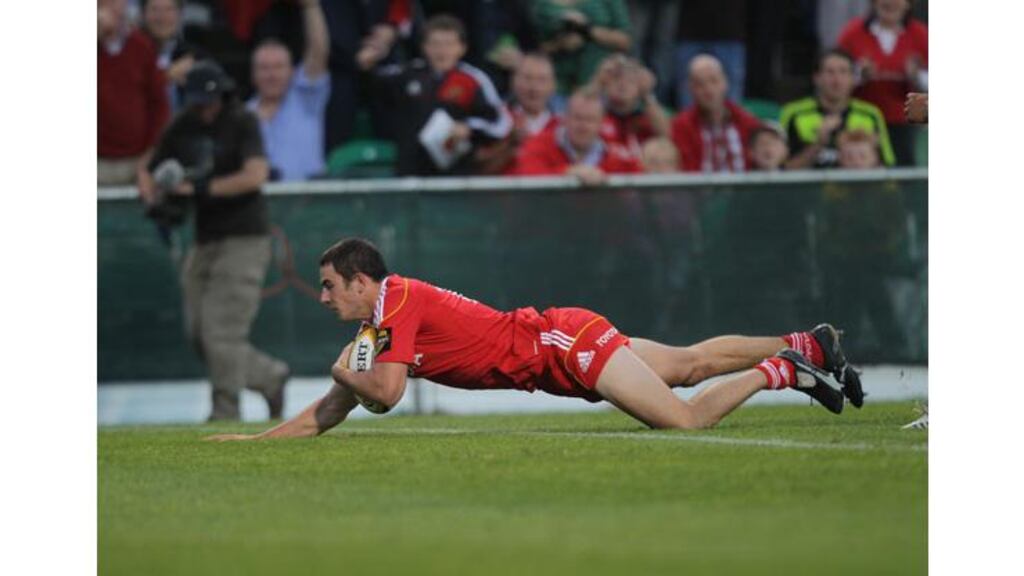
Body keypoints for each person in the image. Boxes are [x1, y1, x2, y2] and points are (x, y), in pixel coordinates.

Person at [207, 238, 865, 441]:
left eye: (328, 286)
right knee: (690, 365)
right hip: (560, 339)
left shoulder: (393, 303)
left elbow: (381, 394)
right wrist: (254, 444)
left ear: (358, 281)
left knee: (685, 422)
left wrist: (345, 371)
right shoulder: (379, 320)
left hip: (562, 344)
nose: (322, 297)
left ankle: (788, 371)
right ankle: (807, 341)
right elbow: (331, 410)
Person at [142, 61, 290, 421]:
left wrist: (199, 189)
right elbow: (150, 164)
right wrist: (155, 193)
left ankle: (225, 412)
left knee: (221, 331)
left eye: (208, 101)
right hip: (204, 238)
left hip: (245, 237)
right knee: (198, 333)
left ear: (223, 95)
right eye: (197, 102)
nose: (204, 109)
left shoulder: (242, 121)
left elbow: (255, 175)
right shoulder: (184, 124)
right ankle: (269, 376)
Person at [357, 14, 512, 176]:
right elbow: (374, 85)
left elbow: (500, 124)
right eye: (435, 44)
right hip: (410, 173)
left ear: (462, 48)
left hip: (457, 174)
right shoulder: (408, 73)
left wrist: (468, 128)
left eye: (449, 44)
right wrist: (366, 67)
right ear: (424, 47)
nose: (442, 51)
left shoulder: (472, 80)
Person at [247, 0, 331, 181]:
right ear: (253, 75)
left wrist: (311, 6)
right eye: (264, 68)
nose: (271, 75)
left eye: (278, 67)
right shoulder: (244, 115)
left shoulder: (306, 100)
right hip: (259, 203)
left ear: (292, 72)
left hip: (309, 200)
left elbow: (318, 52)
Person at [837, 0, 927, 166]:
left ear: (908, 4)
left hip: (908, 122)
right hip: (863, 118)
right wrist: (859, 75)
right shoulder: (853, 32)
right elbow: (836, 72)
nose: (890, 3)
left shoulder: (921, 34)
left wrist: (916, 76)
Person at [780, 49, 894, 170]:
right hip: (808, 189)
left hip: (856, 188)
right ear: (816, 78)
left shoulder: (870, 114)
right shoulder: (793, 113)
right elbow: (782, 170)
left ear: (853, 78)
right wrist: (819, 144)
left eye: (843, 72)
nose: (837, 80)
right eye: (830, 72)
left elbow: (887, 166)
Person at [98, 0, 170, 186]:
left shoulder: (141, 46)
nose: (110, 7)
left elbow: (159, 105)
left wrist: (149, 157)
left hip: (136, 162)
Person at [512, 89, 641, 185]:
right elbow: (527, 174)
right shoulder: (538, 144)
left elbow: (638, 178)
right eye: (577, 118)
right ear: (565, 118)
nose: (583, 125)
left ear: (602, 122)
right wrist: (569, 172)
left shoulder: (615, 152)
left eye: (590, 119)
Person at [669, 54, 760, 173]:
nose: (708, 89)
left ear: (725, 83)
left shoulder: (748, 123)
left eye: (714, 81)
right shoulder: (680, 126)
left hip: (744, 191)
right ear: (690, 89)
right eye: (700, 84)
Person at [475, 53, 560, 175]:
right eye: (527, 78)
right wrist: (508, 145)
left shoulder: (563, 127)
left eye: (542, 80)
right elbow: (478, 170)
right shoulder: (494, 118)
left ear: (553, 86)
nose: (534, 87)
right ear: (513, 81)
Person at [531, 0, 632, 98]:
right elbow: (535, 49)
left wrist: (586, 31)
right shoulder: (542, 4)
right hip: (557, 88)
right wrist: (561, 43)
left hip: (599, 87)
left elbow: (626, 41)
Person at [591, 55, 670, 158]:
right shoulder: (594, 118)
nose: (623, 84)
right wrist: (597, 83)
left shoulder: (647, 119)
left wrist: (647, 94)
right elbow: (579, 111)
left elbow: (666, 135)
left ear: (639, 86)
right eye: (616, 77)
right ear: (606, 83)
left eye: (630, 80)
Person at [140, 0, 200, 114]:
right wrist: (166, 77)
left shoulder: (195, 56)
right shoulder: (130, 55)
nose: (162, 17)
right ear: (143, 14)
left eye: (169, 10)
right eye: (155, 10)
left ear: (180, 15)